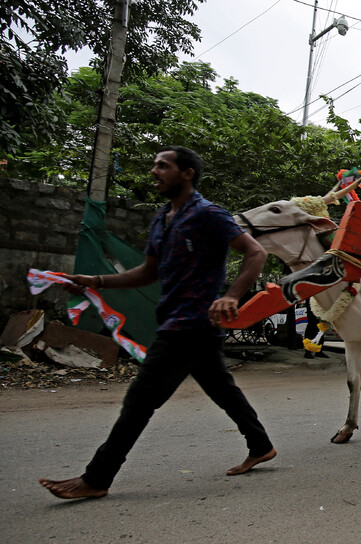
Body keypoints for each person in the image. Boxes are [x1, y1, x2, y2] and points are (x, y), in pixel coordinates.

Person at [39, 146, 276, 500]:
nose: (154, 171)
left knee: (139, 400)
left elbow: (256, 252)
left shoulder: (208, 214)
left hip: (191, 323)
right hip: (177, 319)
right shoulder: (163, 218)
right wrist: (97, 281)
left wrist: (231, 295)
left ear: (187, 173)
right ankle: (261, 445)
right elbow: (147, 272)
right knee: (221, 387)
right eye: (154, 164)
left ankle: (97, 478)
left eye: (162, 165)